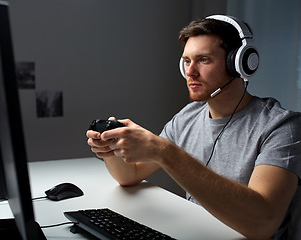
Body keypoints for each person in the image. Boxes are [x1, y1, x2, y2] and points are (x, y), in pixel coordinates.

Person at [86, 15, 301, 240]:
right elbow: (131, 174)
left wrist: (165, 152)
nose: (190, 72)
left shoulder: (281, 127)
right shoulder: (187, 117)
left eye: (204, 60)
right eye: (187, 61)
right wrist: (111, 149)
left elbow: (263, 223)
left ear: (238, 63)